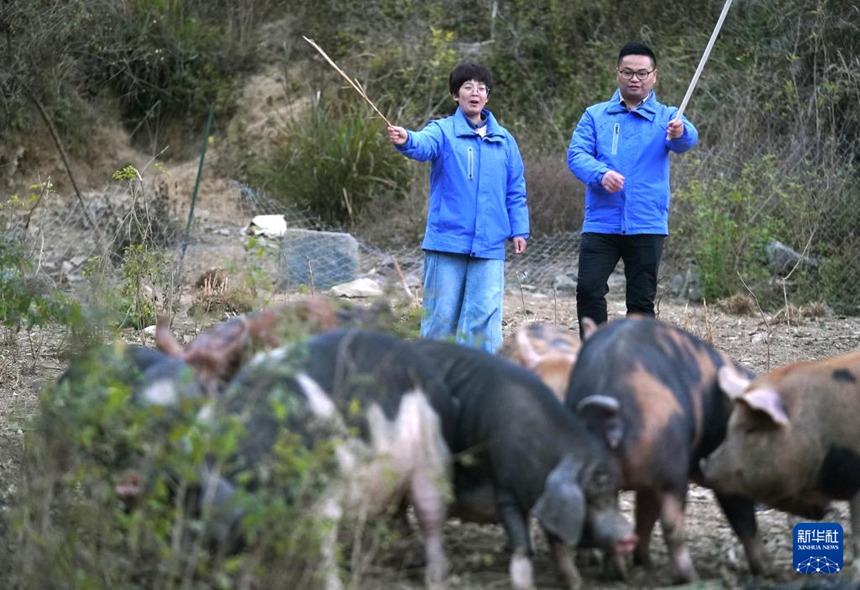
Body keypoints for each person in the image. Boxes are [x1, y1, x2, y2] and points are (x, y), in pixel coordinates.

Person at [387, 63, 529, 353]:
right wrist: (407, 139)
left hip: (489, 246)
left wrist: (519, 229)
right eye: (467, 86)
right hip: (446, 243)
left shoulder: (505, 140)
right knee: (440, 321)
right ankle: (433, 383)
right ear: (456, 94)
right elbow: (422, 145)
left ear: (487, 96)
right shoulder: (442, 131)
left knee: (484, 324)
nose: (474, 92)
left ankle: (480, 385)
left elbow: (515, 189)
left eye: (481, 87)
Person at [567, 41, 698, 337]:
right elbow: (576, 156)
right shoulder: (595, 115)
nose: (634, 78)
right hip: (602, 223)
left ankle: (637, 364)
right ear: (617, 73)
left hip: (646, 223)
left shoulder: (668, 117)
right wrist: (601, 174)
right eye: (628, 72)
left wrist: (681, 132)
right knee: (588, 290)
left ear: (654, 76)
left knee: (640, 302)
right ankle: (595, 352)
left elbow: (686, 140)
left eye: (641, 73)